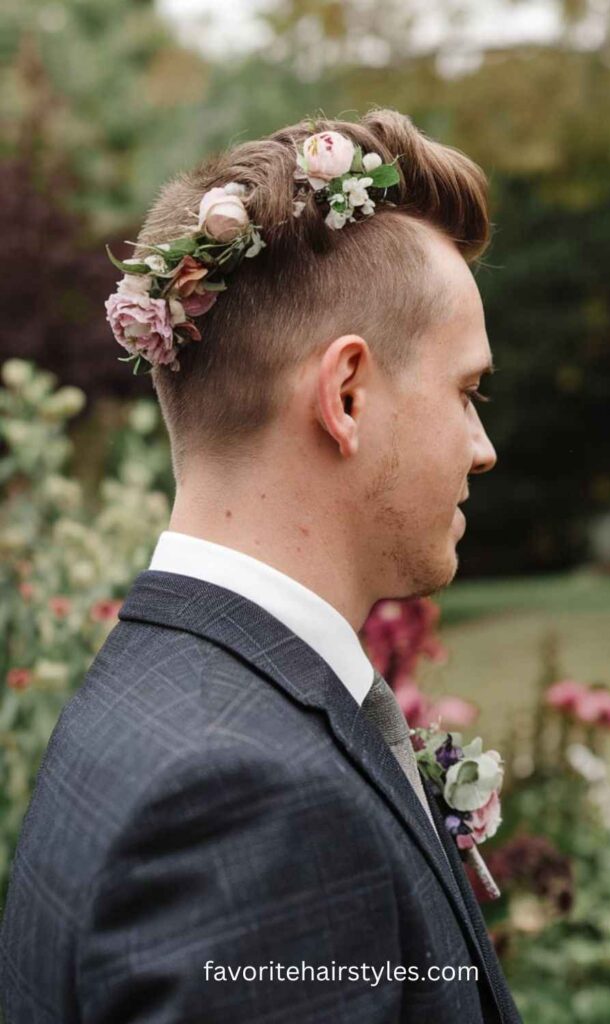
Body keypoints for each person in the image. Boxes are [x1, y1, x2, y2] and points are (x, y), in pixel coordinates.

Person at [0, 108, 521, 1022]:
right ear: (347, 394)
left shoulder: (152, 683)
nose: (482, 449)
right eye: (465, 391)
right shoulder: (249, 802)